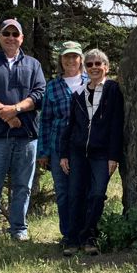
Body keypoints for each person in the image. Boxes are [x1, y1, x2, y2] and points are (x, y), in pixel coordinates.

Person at [0, 18, 46, 241]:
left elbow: (40, 94)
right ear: (0, 37)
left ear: (22, 38)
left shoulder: (34, 65)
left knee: (23, 186)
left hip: (26, 137)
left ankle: (18, 230)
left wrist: (15, 109)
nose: (11, 38)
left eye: (16, 34)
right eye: (7, 34)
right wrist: (5, 114)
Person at [59, 48, 124, 256]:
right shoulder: (78, 93)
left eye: (98, 64)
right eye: (90, 64)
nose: (94, 67)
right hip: (77, 152)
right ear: (85, 68)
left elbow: (116, 124)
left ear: (106, 67)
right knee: (75, 194)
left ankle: (89, 237)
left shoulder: (113, 90)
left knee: (97, 194)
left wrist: (114, 156)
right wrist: (63, 153)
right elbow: (70, 126)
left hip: (102, 153)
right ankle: (72, 239)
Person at [37, 41, 87, 247]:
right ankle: (68, 235)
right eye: (66, 57)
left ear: (81, 59)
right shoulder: (53, 87)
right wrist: (43, 152)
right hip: (58, 148)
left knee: (84, 190)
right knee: (64, 193)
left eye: (74, 56)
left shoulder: (90, 81)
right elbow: (45, 120)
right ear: (61, 60)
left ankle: (85, 234)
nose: (70, 60)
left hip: (84, 148)